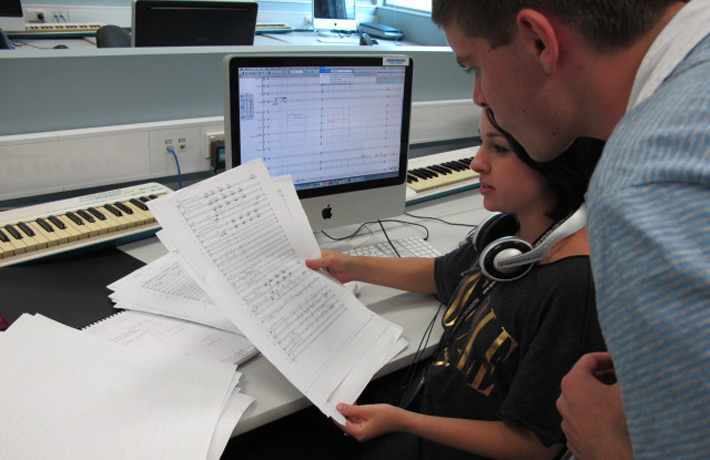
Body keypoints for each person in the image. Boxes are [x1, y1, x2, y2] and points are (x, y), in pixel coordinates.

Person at [430, 1, 710, 459]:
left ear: (538, 41)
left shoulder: (642, 188)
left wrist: (606, 443)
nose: (479, 96)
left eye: (473, 67)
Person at [306, 109, 606, 459]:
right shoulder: (508, 235)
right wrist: (351, 265)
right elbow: (440, 274)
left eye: (499, 148)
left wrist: (405, 422)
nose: (477, 162)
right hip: (426, 418)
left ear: (557, 162)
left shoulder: (571, 286)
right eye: (481, 143)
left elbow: (534, 446)